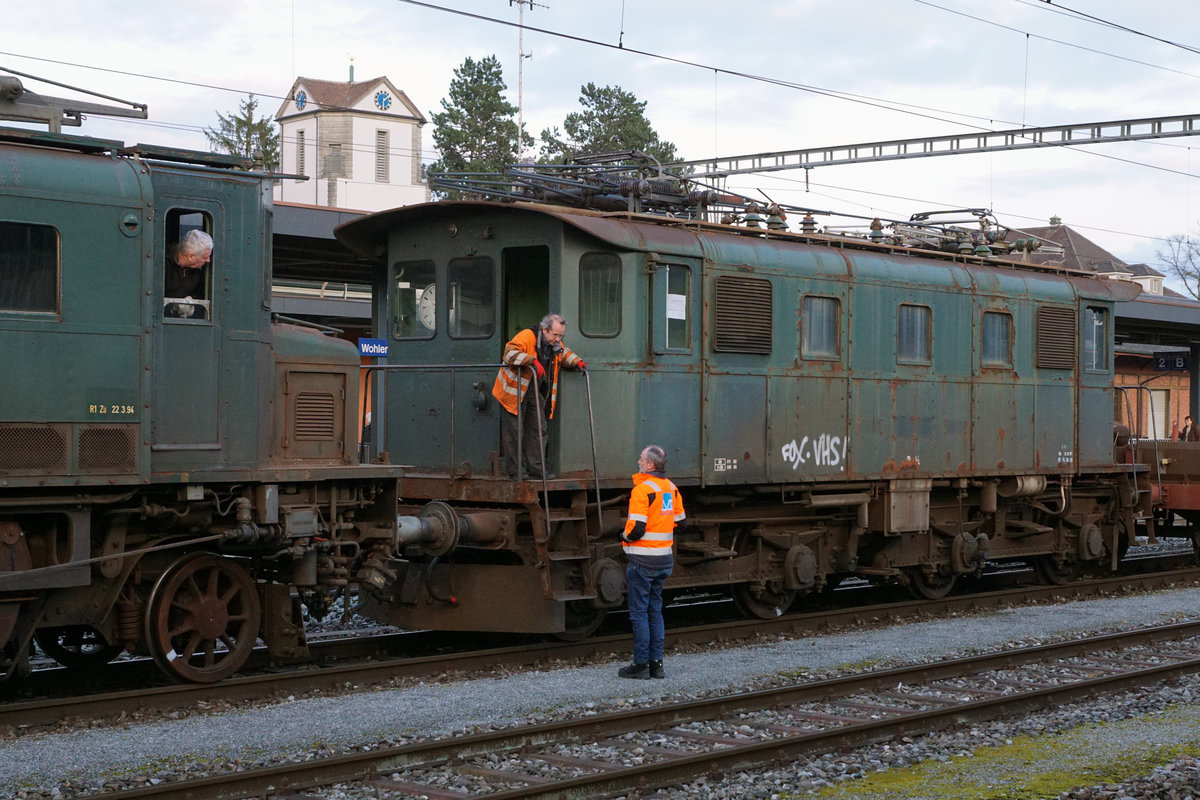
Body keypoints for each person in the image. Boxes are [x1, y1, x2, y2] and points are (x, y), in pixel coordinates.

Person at [618, 445, 685, 680]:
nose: (638, 461)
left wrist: (624, 536)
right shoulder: (671, 488)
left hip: (642, 560)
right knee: (655, 611)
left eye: (641, 459)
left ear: (650, 465)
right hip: (664, 560)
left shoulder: (642, 490)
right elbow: (681, 522)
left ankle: (641, 665)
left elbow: (636, 528)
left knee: (638, 613)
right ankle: (657, 665)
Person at [491, 313, 586, 479]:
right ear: (545, 330)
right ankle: (516, 472)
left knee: (538, 429)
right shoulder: (527, 336)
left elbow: (563, 353)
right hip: (512, 390)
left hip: (533, 389)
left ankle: (537, 470)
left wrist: (577, 362)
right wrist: (531, 360)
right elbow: (509, 353)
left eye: (560, 336)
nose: (558, 339)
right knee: (514, 431)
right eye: (555, 335)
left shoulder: (554, 344)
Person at [164, 229, 213, 318]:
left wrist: (192, 301)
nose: (208, 260)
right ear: (190, 256)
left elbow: (202, 292)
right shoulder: (161, 262)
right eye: (204, 257)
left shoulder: (198, 271)